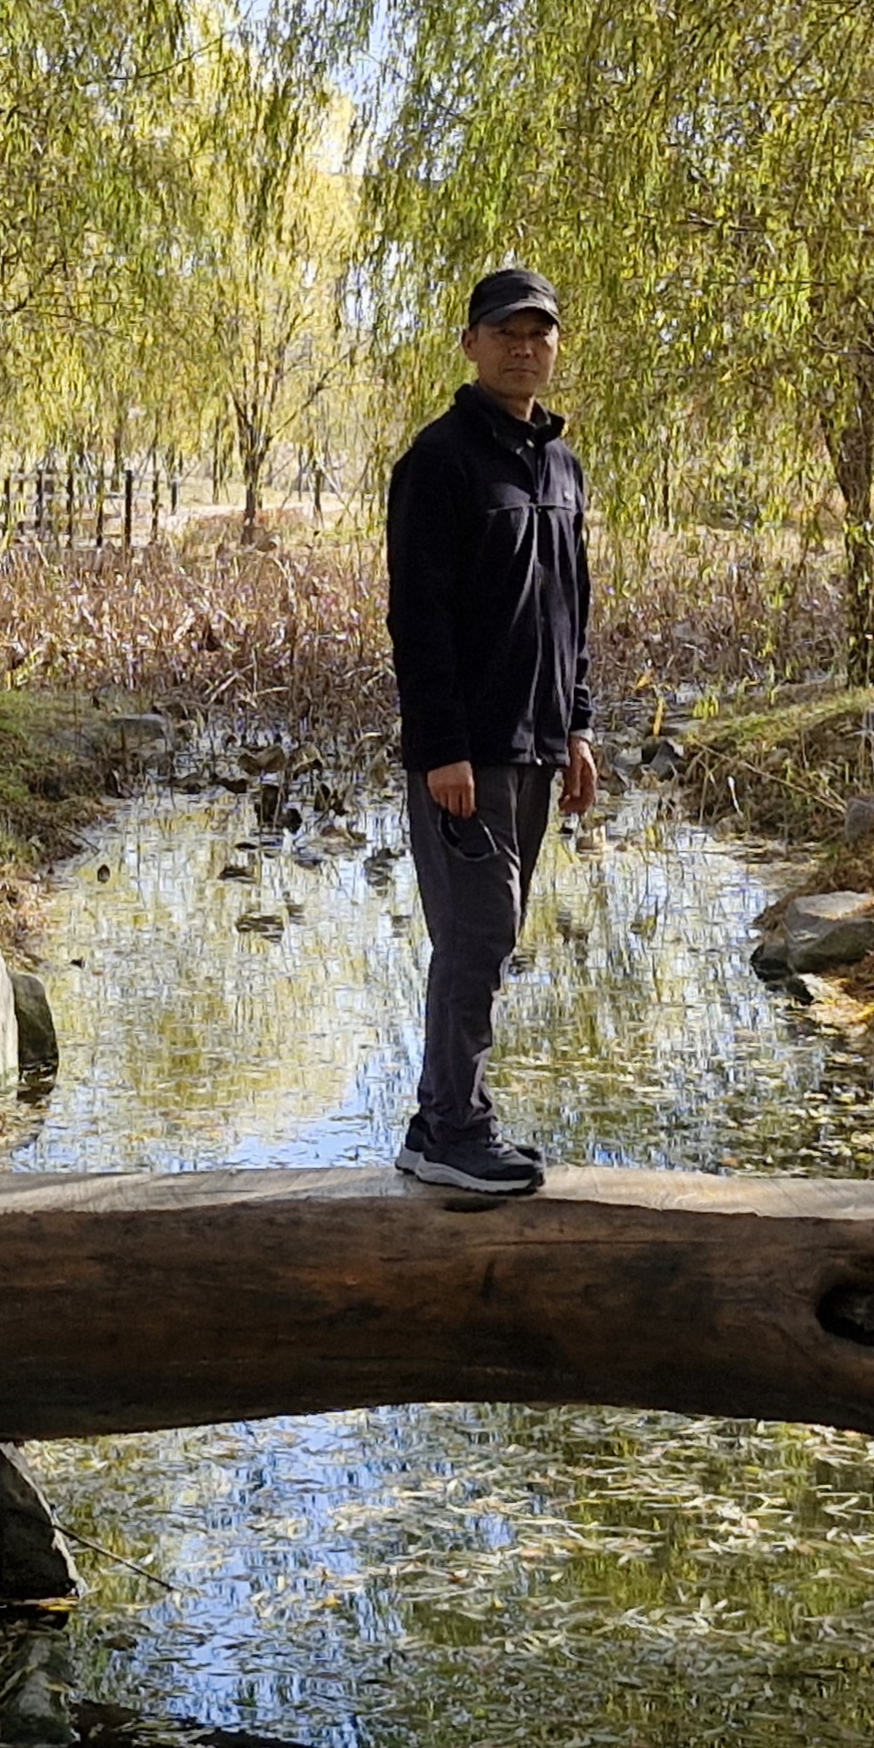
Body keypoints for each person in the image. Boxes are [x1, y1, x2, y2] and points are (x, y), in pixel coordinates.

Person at [385, 263, 597, 1196]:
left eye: (537, 331)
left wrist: (578, 727)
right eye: (505, 331)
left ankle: (438, 1121)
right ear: (471, 344)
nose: (522, 347)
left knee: (493, 936)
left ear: (554, 346)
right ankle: (454, 1130)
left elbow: (573, 610)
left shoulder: (560, 465)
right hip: (465, 756)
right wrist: (441, 748)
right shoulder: (438, 461)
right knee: (476, 937)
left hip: (537, 747)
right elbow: (417, 618)